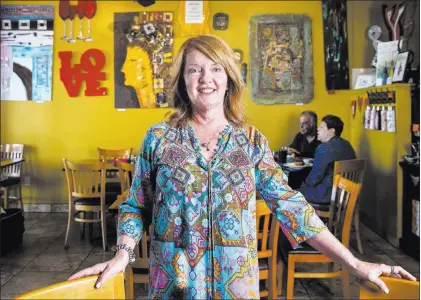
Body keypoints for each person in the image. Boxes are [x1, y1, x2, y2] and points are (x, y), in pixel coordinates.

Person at [68, 35, 415, 299]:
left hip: (236, 290)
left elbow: (291, 206)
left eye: (215, 68)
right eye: (195, 69)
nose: (206, 78)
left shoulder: (250, 141)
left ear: (229, 78)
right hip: (172, 288)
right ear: (182, 81)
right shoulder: (158, 138)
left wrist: (353, 263)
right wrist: (124, 255)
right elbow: (135, 204)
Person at [299, 115, 356, 204]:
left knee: (290, 193)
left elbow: (315, 177)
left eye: (321, 127)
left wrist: (304, 184)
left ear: (331, 131)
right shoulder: (347, 145)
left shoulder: (323, 148)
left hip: (327, 196)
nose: (317, 129)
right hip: (346, 194)